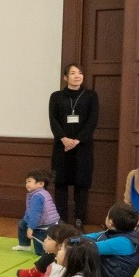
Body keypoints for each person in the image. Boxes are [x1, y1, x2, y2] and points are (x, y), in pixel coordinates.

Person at [49, 63, 99, 227]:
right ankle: (61, 220)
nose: (77, 76)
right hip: (61, 147)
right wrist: (63, 138)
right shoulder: (56, 96)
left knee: (81, 185)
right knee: (60, 184)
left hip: (83, 147)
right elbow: (53, 119)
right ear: (65, 77)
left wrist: (77, 140)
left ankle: (79, 220)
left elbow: (92, 120)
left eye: (80, 73)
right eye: (72, 73)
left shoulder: (91, 96)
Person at [84, 202, 139, 277]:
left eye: (107, 215)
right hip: (108, 273)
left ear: (110, 222)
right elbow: (91, 237)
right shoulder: (120, 232)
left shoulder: (122, 242)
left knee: (77, 252)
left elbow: (89, 248)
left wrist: (67, 242)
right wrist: (71, 237)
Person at [13, 169, 60, 255]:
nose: (26, 184)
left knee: (40, 252)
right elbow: (30, 211)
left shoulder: (38, 196)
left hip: (44, 226)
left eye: (29, 181)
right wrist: (27, 220)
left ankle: (53, 248)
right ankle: (24, 245)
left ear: (41, 184)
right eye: (26, 182)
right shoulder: (40, 193)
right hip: (44, 222)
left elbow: (35, 214)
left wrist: (30, 228)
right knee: (22, 223)